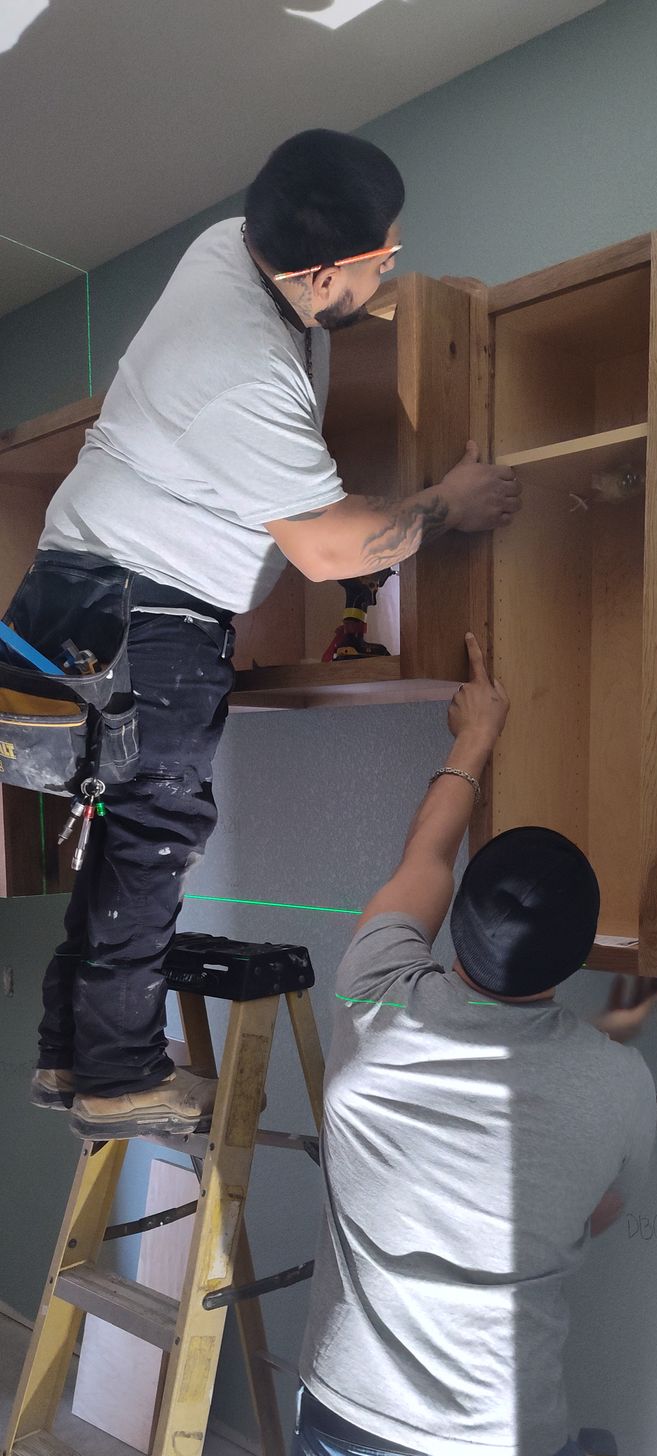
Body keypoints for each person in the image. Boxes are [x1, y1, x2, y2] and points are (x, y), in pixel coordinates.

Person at [19, 128, 518, 1140]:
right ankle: (117, 1075)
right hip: (142, 615)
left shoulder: (229, 246)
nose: (396, 266)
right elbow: (333, 552)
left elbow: (318, 328)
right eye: (387, 254)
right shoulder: (242, 368)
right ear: (322, 268)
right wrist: (446, 505)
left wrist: (365, 295)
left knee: (118, 838)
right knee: (152, 841)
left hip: (72, 590)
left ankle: (72, 1051)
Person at [291, 632, 657, 1456]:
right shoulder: (612, 1087)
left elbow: (423, 856)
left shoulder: (371, 998)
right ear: (570, 968)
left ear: (453, 937)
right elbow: (595, 1208)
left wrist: (477, 735)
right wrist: (606, 1047)